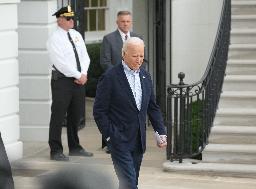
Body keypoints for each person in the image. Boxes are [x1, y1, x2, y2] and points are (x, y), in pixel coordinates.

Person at [93, 37, 167, 189]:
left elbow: (152, 107)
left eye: (141, 55)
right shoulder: (110, 77)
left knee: (129, 182)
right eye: (135, 56)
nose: (139, 59)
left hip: (138, 141)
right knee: (130, 183)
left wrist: (161, 132)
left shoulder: (146, 77)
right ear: (124, 54)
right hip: (118, 140)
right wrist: (109, 136)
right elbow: (99, 111)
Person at [47, 5, 93, 161]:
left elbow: (85, 57)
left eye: (72, 17)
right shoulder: (54, 39)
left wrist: (84, 74)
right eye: (68, 18)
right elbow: (60, 63)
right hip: (63, 81)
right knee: (58, 116)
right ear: (59, 20)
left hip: (79, 80)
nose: (72, 20)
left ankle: (75, 147)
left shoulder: (76, 35)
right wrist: (78, 74)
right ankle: (55, 150)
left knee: (76, 115)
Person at [100, 10, 146, 153]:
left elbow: (142, 59)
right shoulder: (108, 39)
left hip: (135, 81)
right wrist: (118, 75)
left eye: (128, 21)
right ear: (117, 22)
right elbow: (105, 61)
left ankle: (132, 141)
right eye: (122, 21)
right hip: (115, 83)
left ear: (131, 22)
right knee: (113, 113)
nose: (125, 24)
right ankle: (111, 142)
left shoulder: (138, 37)